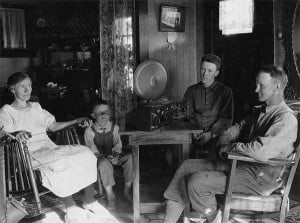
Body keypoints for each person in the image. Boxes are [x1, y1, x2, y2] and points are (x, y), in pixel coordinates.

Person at [163, 65, 298, 223]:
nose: (256, 89)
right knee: (186, 166)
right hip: (241, 165)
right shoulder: (262, 110)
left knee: (197, 183)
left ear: (277, 87)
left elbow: (259, 151)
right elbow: (240, 126)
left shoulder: (285, 119)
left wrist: (231, 147)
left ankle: (216, 219)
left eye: (261, 85)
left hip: (260, 178)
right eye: (256, 84)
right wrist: (226, 136)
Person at [0, 72, 120, 223]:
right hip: (27, 152)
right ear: (12, 89)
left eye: (29, 85)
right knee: (60, 162)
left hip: (48, 147)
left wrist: (75, 121)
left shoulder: (35, 107)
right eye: (22, 86)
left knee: (85, 153)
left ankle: (89, 200)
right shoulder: (6, 111)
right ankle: (70, 208)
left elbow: (52, 126)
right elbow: (4, 134)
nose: (27, 90)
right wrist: (17, 133)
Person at [84, 100, 133, 210]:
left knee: (130, 158)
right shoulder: (89, 130)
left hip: (113, 154)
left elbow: (117, 143)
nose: (103, 115)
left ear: (110, 113)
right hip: (99, 157)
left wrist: (116, 154)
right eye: (99, 112)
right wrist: (103, 157)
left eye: (106, 112)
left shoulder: (114, 127)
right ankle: (111, 196)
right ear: (93, 115)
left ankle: (127, 190)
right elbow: (91, 149)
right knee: (104, 163)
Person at [183, 54, 234, 157]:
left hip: (216, 138)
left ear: (216, 73)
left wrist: (210, 134)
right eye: (203, 69)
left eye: (210, 71)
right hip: (193, 137)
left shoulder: (225, 92)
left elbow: (226, 119)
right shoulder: (191, 90)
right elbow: (186, 115)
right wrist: (193, 131)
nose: (205, 74)